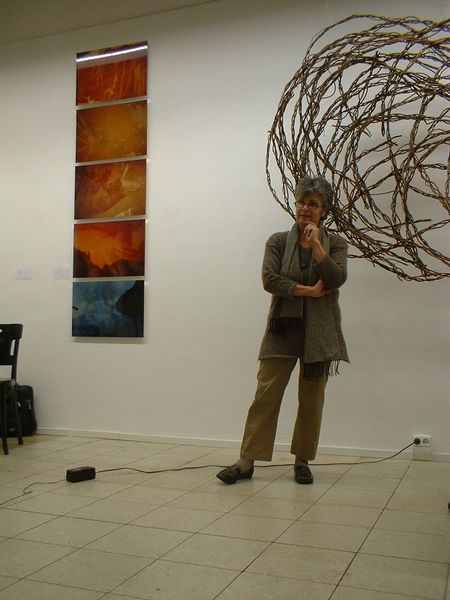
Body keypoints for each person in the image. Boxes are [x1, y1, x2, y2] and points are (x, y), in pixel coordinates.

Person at [217, 175, 349, 485]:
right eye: (301, 201)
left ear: (324, 210)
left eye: (313, 204)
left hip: (318, 335)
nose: (305, 208)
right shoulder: (277, 241)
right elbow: (270, 279)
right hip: (282, 330)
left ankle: (302, 461)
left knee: (312, 400)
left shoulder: (336, 244)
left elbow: (336, 278)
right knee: (266, 395)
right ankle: (247, 461)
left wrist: (317, 247)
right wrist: (308, 291)